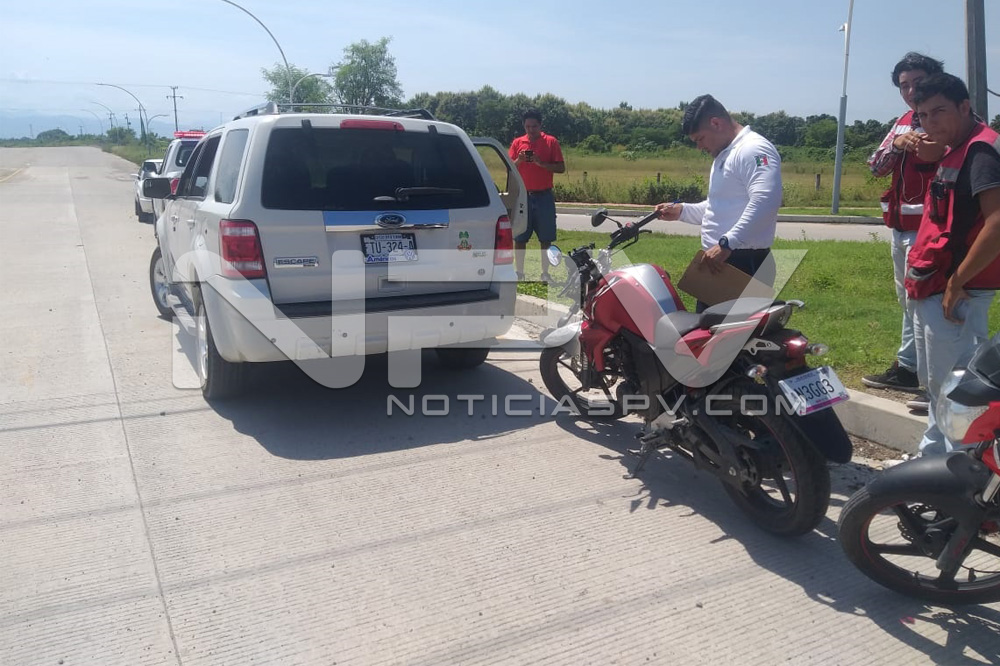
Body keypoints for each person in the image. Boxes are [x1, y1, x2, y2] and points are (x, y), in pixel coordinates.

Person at [904, 73, 1000, 455]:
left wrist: (957, 282)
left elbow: (996, 224)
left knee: (957, 394)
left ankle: (961, 475)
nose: (930, 123)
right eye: (923, 115)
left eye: (939, 111)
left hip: (958, 291)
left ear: (964, 106)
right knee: (937, 386)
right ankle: (930, 462)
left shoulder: (981, 151)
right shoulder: (955, 148)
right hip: (934, 284)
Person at [861, 53, 946, 413]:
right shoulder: (902, 122)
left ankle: (936, 383)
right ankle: (908, 369)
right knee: (908, 302)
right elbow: (875, 166)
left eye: (917, 83)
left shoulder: (949, 119)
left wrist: (932, 146)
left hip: (934, 231)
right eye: (904, 86)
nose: (911, 91)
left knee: (929, 305)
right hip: (901, 228)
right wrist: (897, 145)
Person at [655, 94, 781, 311]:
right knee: (708, 329)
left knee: (730, 331)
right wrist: (682, 211)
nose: (699, 147)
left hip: (742, 261)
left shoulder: (753, 149)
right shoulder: (726, 154)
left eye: (700, 139)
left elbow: (766, 200)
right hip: (723, 259)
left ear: (716, 123)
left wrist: (726, 243)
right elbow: (720, 207)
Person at [509, 109, 565, 282]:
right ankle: (519, 272)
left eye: (534, 126)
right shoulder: (518, 142)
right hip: (523, 196)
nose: (531, 130)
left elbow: (561, 168)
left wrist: (541, 163)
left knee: (546, 238)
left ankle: (545, 273)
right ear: (523, 126)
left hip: (543, 196)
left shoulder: (550, 142)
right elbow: (509, 168)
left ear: (540, 125)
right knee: (520, 237)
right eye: (527, 126)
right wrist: (519, 160)